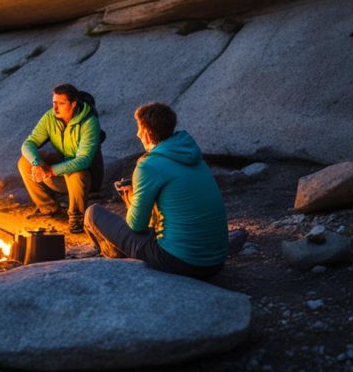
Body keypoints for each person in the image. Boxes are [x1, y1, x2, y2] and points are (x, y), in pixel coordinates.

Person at [84, 102, 244, 279]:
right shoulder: (191, 155)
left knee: (93, 213)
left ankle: (117, 265)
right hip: (214, 263)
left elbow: (136, 225)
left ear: (145, 132)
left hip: (180, 262)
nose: (137, 134)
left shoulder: (148, 165)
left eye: (138, 128)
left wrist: (131, 197)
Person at [18, 83, 103, 233]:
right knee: (25, 162)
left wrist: (50, 171)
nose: (56, 108)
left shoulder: (89, 122)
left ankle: (77, 216)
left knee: (78, 173)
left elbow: (84, 160)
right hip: (61, 173)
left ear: (73, 104)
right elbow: (28, 144)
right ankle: (49, 208)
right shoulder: (50, 117)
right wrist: (37, 164)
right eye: (54, 103)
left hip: (86, 179)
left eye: (61, 103)